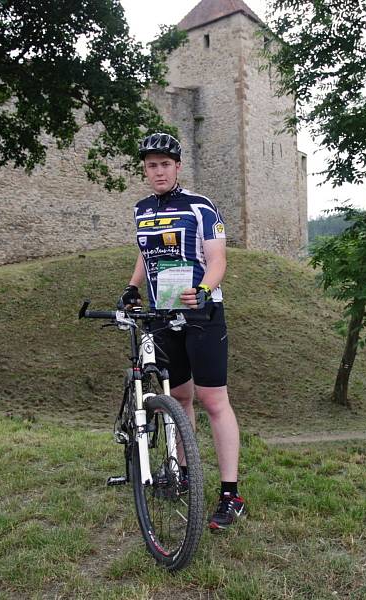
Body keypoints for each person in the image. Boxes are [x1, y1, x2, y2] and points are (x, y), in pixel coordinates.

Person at [118, 132, 245, 532]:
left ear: (177, 167)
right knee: (180, 396)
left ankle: (230, 495)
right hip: (160, 314)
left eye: (165, 164)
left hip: (201, 314)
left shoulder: (200, 207)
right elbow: (145, 252)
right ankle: (184, 473)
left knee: (213, 400)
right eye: (151, 165)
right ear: (145, 169)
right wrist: (132, 286)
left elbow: (218, 258)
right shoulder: (141, 210)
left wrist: (204, 290)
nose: (158, 171)